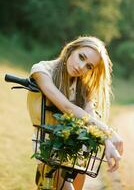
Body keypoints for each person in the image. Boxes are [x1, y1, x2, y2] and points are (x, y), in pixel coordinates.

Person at [27, 36, 123, 190]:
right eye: (81, 57)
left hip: (76, 149)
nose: (81, 66)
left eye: (88, 66)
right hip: (50, 145)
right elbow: (67, 107)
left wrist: (107, 142)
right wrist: (108, 132)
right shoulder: (42, 71)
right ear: (71, 49)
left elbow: (90, 117)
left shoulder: (83, 88)